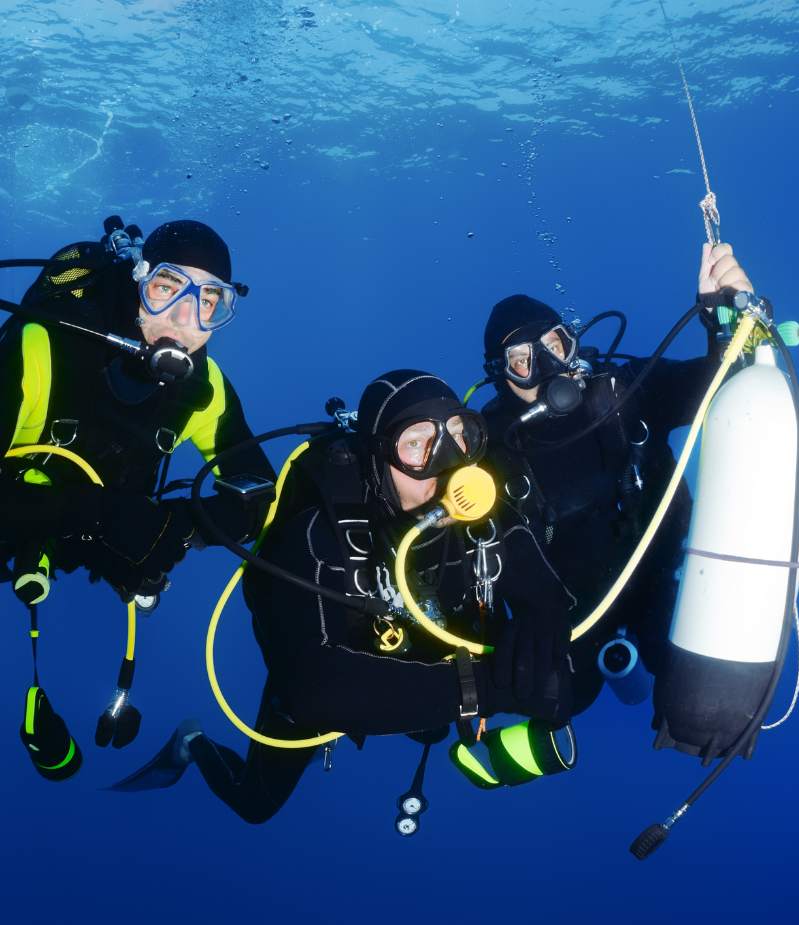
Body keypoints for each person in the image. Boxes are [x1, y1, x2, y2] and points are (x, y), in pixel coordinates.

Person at [110, 370, 575, 823]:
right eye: (416, 445)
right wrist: (487, 689)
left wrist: (543, 636)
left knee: (433, 725)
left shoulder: (485, 514)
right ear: (375, 458)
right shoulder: (317, 534)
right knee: (254, 803)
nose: (447, 464)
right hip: (329, 666)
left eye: (460, 436)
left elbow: (548, 596)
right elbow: (315, 691)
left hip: (426, 664)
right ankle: (191, 743)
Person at [478, 243, 754, 713]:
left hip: (663, 582)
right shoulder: (493, 452)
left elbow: (725, 381)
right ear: (500, 377)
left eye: (553, 346)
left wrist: (725, 316)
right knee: (557, 703)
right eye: (523, 360)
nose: (545, 369)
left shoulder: (624, 393)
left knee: (694, 699)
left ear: (572, 342)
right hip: (570, 620)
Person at [0, 218, 275, 605]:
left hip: (96, 545)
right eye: (167, 288)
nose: (184, 320)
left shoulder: (205, 388)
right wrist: (96, 514)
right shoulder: (42, 347)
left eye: (208, 302)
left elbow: (261, 495)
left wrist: (177, 527)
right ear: (139, 282)